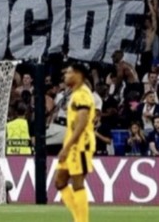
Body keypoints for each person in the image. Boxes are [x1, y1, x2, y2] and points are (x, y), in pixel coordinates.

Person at [54, 62, 95, 222]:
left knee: (78, 183)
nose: (65, 76)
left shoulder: (82, 95)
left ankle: (81, 221)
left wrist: (67, 147)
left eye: (69, 73)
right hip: (72, 145)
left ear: (78, 75)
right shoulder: (75, 94)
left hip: (81, 145)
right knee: (60, 182)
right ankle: (79, 218)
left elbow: (82, 123)